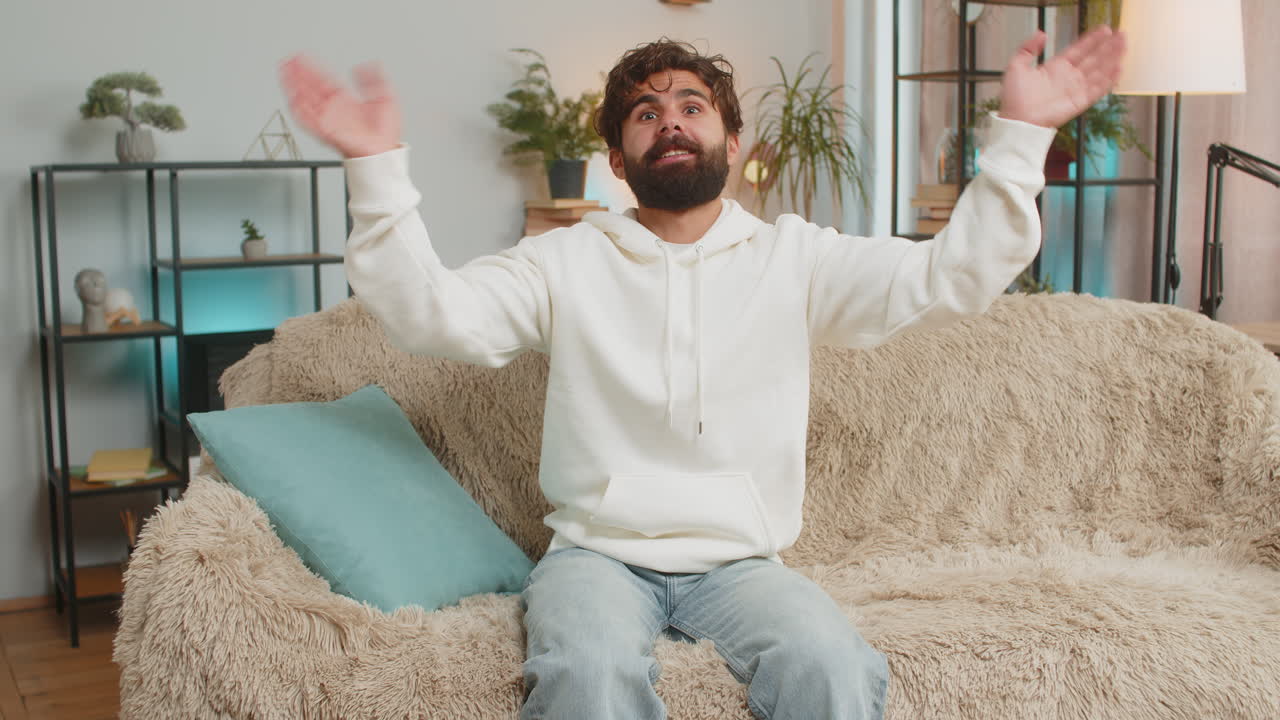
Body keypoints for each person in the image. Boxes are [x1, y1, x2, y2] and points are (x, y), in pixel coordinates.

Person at [280, 27, 1126, 720]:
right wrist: (375, 166)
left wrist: (1021, 139)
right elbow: (429, 314)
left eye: (692, 106)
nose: (671, 121)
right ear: (618, 159)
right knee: (584, 672)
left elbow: (953, 275)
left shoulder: (796, 259)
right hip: (596, 557)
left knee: (830, 667)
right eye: (646, 114)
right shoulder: (562, 261)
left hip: (742, 563)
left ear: (730, 137)